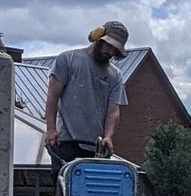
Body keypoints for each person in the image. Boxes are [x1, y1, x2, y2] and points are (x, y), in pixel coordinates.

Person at [44, 21, 129, 168]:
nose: (110, 51)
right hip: (65, 142)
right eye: (108, 45)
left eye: (114, 49)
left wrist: (108, 137)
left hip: (96, 148)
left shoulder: (115, 75)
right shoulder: (67, 59)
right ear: (98, 36)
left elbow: (113, 111)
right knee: (64, 186)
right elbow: (52, 96)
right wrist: (51, 129)